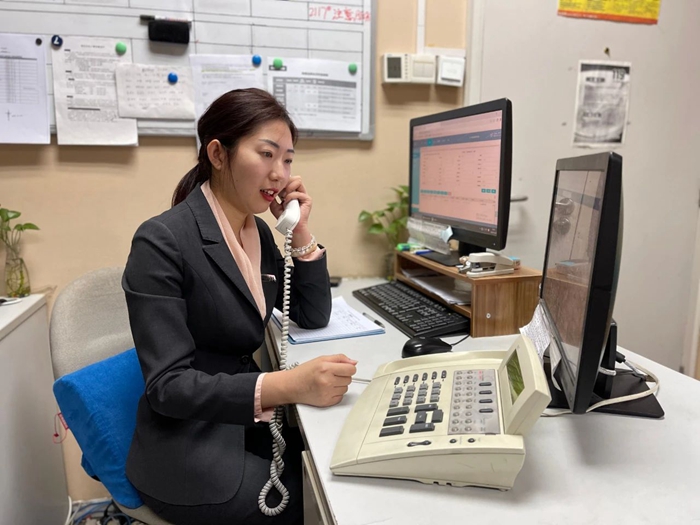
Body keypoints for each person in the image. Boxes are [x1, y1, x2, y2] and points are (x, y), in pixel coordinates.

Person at [122, 88, 357, 525]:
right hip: (189, 445)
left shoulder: (259, 233)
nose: (279, 174)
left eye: (287, 159)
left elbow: (312, 315)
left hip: (246, 423)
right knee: (318, 502)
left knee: (336, 468)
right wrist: (288, 385)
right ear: (218, 153)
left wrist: (300, 230)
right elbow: (168, 387)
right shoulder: (162, 241)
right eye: (266, 154)